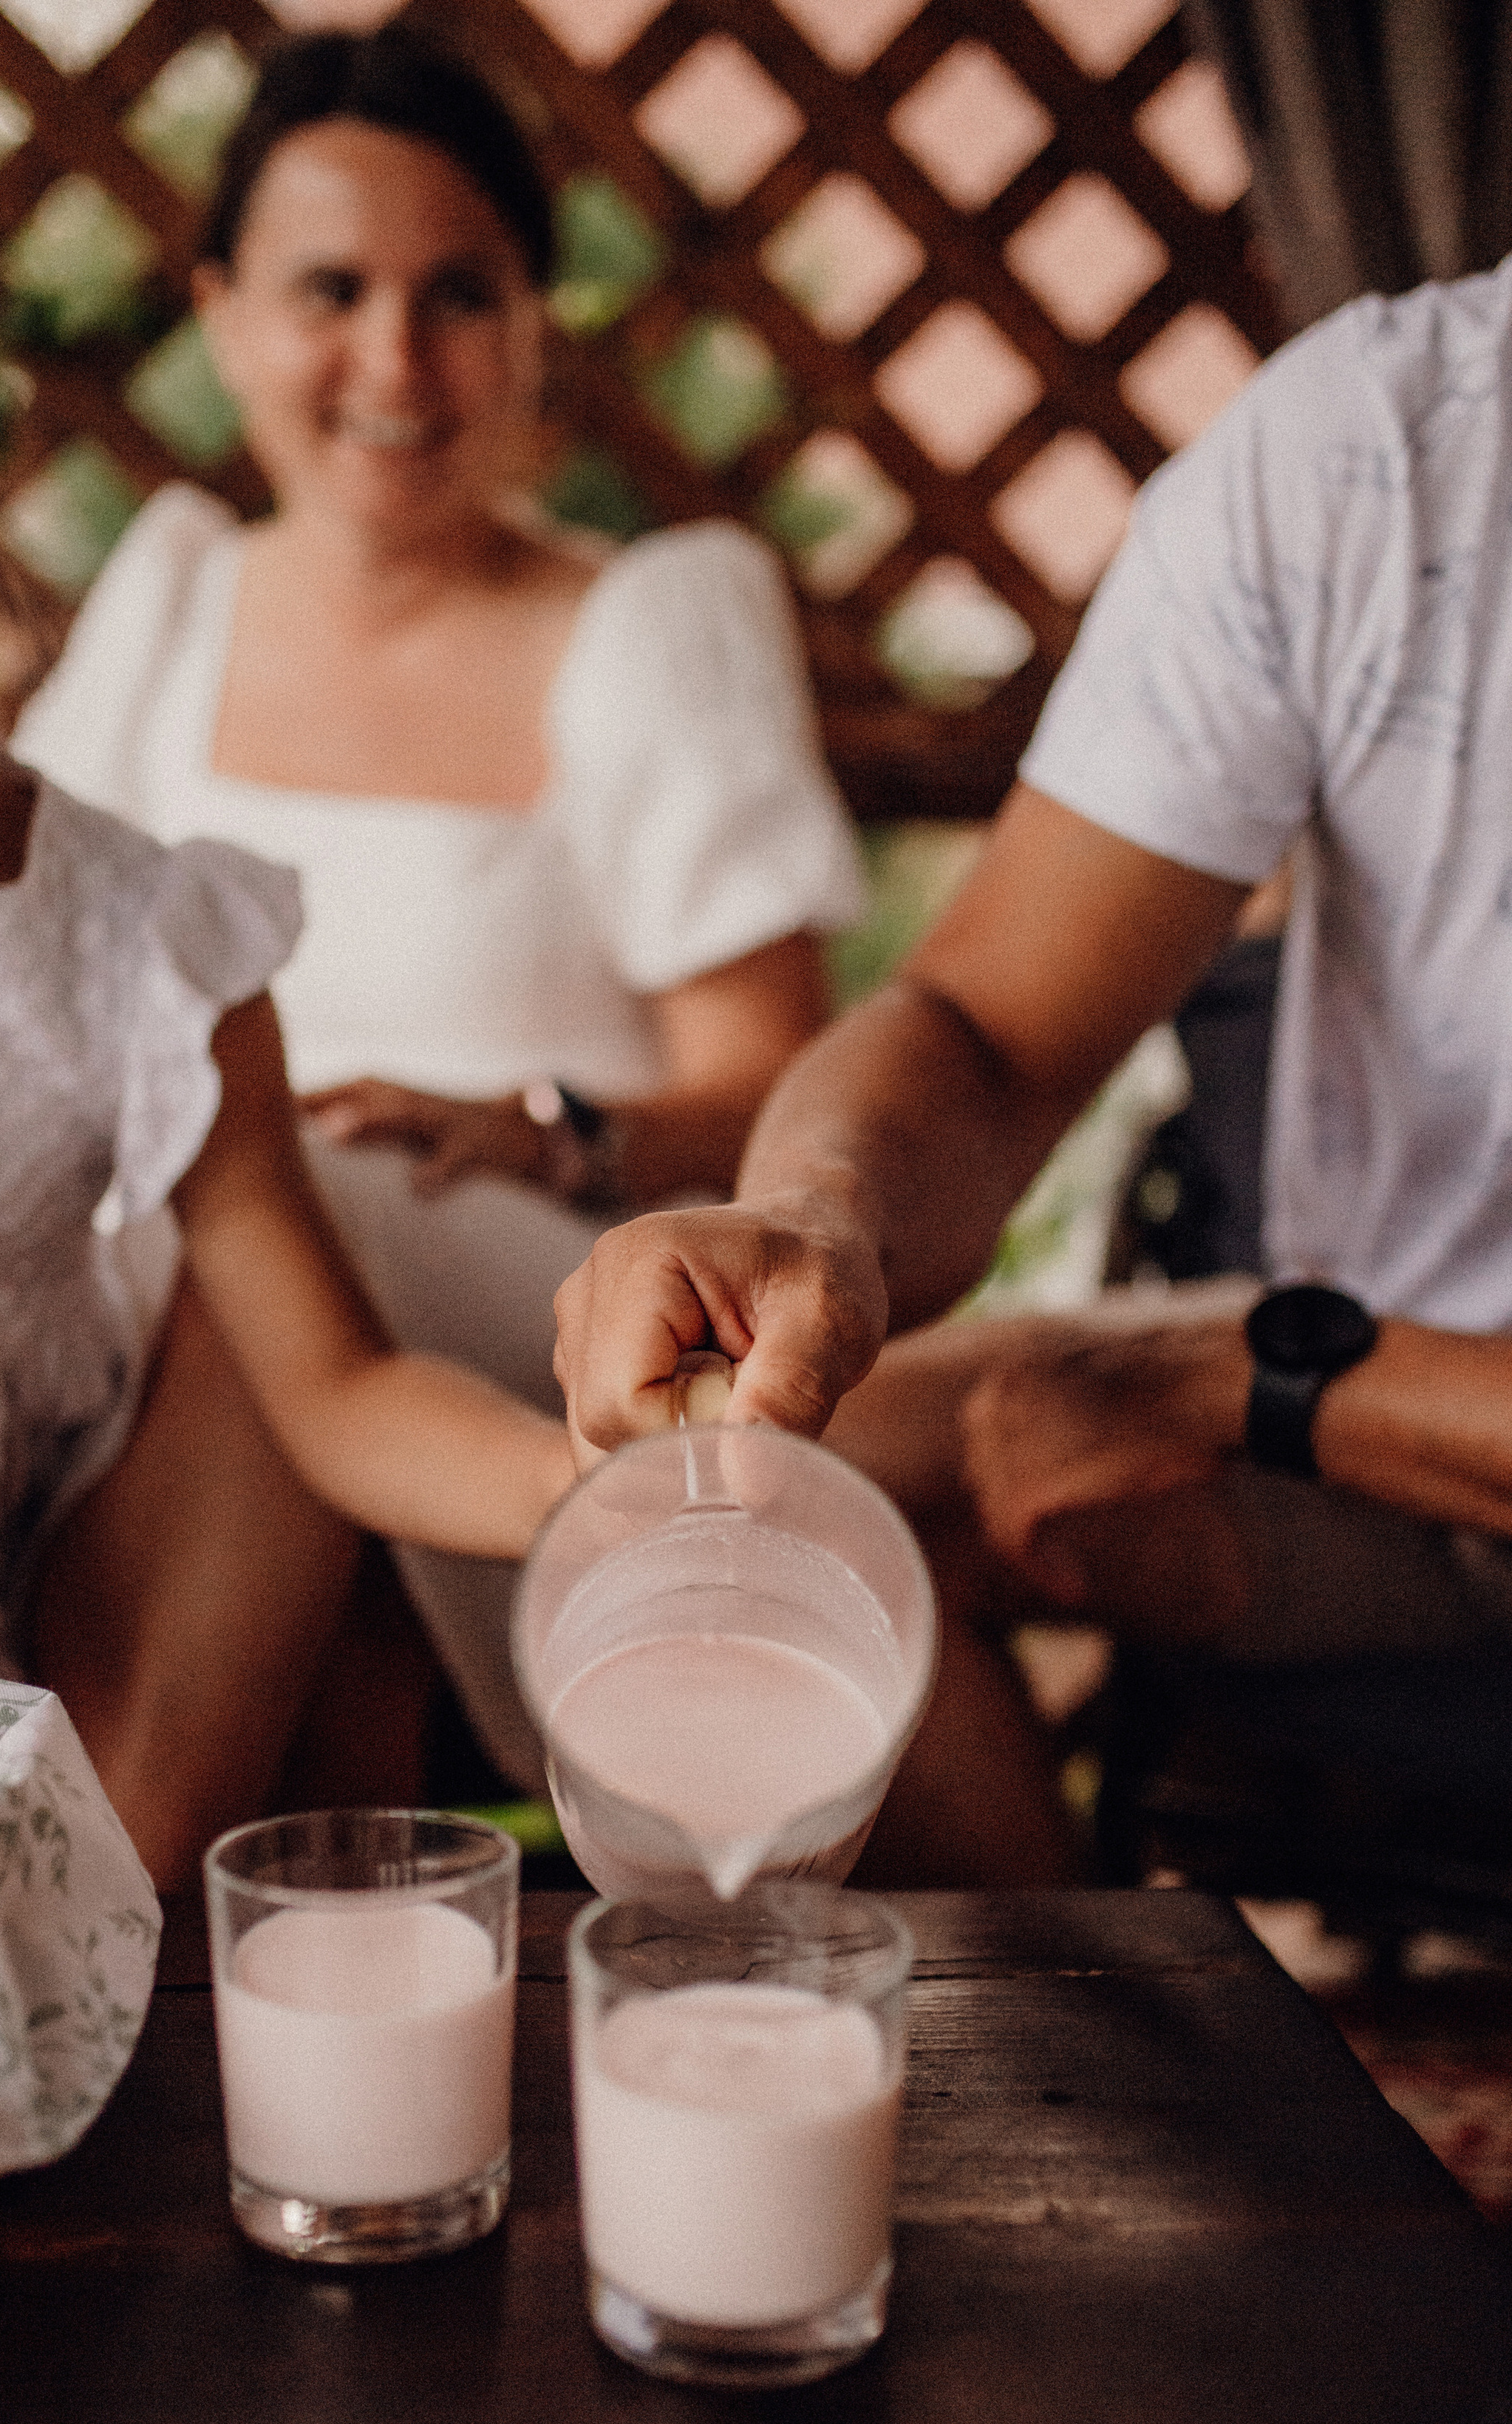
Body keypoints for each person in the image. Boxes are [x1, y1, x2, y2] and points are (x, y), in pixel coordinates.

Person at [0, 109, 573, 1894]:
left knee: (274, 1299)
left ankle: (84, 1931)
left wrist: (580, 1496)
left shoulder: (151, 935)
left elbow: (334, 1392)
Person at [552, 251, 1512, 1882]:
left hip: (1359, 1404)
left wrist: (1235, 1376)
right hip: (1373, 1405)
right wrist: (813, 1219)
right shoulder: (1387, 440)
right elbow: (986, 1034)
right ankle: (1029, 2060)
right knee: (752, 1507)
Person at [13, 26, 863, 1783]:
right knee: (248, 1247)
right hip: (175, 1311)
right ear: (223, 310)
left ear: (532, 325)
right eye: (329, 289)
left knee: (319, 1204)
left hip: (542, 1310)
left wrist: (543, 1128)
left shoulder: (645, 624)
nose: (393, 359)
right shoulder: (170, 599)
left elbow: (774, 1093)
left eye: (458, 293)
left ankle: (120, 1889)